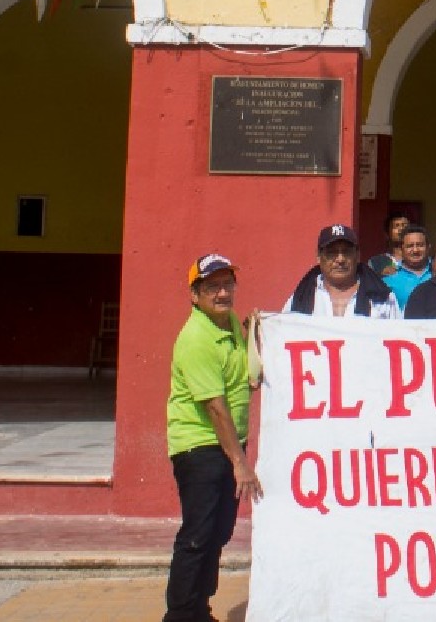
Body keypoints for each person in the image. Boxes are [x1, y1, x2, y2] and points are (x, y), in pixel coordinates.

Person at [164, 253, 262, 622]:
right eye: (212, 287)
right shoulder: (196, 338)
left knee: (218, 533)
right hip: (200, 446)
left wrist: (254, 327)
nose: (222, 293)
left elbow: (240, 369)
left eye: (227, 284)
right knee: (198, 536)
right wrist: (241, 464)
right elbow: (215, 407)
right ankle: (180, 615)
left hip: (225, 444)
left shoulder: (230, 323)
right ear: (195, 295)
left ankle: (199, 610)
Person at [285, 224, 400, 318]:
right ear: (319, 257)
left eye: (347, 252)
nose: (340, 259)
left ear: (358, 256)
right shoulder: (300, 298)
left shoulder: (382, 298)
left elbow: (398, 338)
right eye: (331, 252)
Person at [383, 224, 433, 311]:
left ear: (428, 247)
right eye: (410, 246)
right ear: (402, 249)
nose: (415, 250)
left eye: (420, 245)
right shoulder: (388, 280)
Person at [367, 212, 410, 277]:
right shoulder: (376, 262)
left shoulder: (418, 258)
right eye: (396, 226)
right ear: (387, 234)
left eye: (404, 225)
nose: (401, 229)